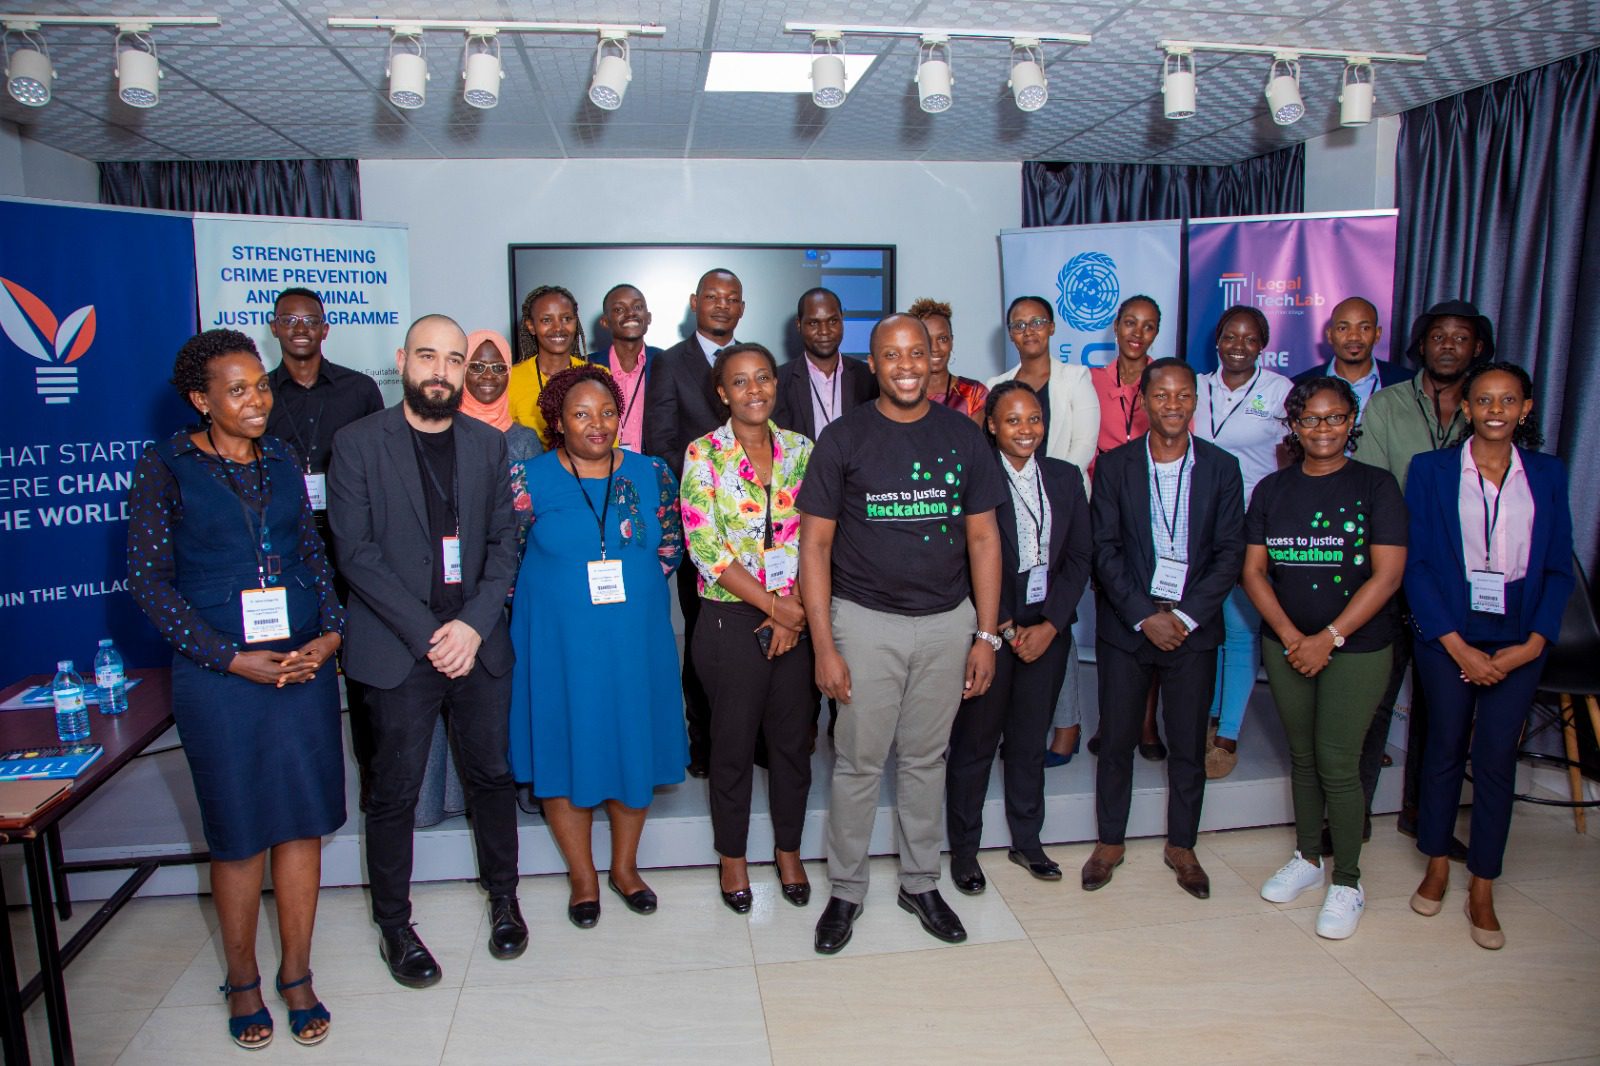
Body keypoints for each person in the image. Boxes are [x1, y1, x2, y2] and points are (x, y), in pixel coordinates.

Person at [129, 329, 344, 1049]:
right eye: (240, 389)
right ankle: (244, 980)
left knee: (303, 821)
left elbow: (314, 556)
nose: (258, 399)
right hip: (221, 679)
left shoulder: (282, 460)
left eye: (261, 385)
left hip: (301, 668)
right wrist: (230, 658)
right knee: (240, 833)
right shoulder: (166, 468)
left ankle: (298, 974)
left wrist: (332, 634)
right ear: (201, 399)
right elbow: (151, 587)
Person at [327, 314, 525, 989]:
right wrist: (430, 634)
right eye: (428, 357)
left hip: (477, 644)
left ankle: (505, 898)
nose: (440, 371)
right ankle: (394, 924)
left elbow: (504, 544)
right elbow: (355, 554)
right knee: (395, 794)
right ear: (402, 359)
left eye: (453, 360)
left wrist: (470, 625)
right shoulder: (356, 444)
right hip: (398, 649)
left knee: (492, 779)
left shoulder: (487, 444)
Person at [799, 313, 1005, 955]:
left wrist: (986, 636)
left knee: (925, 761)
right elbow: (815, 546)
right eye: (892, 355)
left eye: (917, 353)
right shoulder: (843, 438)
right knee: (858, 764)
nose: (908, 365)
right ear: (875, 363)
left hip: (948, 625)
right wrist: (826, 646)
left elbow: (983, 537)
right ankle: (847, 889)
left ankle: (920, 882)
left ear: (933, 356)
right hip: (865, 625)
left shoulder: (964, 437)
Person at [509, 365, 686, 927]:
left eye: (607, 412)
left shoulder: (650, 472)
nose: (597, 424)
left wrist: (629, 591)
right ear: (557, 422)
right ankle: (583, 877)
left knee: (632, 741)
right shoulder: (526, 478)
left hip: (635, 639)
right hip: (559, 643)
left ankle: (625, 868)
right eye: (581, 414)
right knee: (565, 744)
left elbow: (671, 545)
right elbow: (507, 559)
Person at [1405, 362, 1573, 950]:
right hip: (1448, 632)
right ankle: (1437, 861)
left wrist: (1534, 643)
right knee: (1444, 748)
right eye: (1483, 399)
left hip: (1519, 638)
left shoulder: (1548, 476)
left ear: (1526, 408)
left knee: (1496, 757)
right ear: (1468, 407)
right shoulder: (1430, 471)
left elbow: (1557, 568)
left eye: (1508, 400)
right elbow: (1418, 563)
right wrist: (1452, 642)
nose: (1495, 409)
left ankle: (1484, 881)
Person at [1242, 377, 1407, 940]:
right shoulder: (1271, 491)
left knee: (1339, 761)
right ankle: (1309, 860)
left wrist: (1328, 636)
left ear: (1351, 421)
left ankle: (1349, 881)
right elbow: (1254, 571)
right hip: (1287, 643)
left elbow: (1387, 576)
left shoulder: (1376, 487)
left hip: (1357, 647)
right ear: (1293, 426)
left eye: (1333, 418)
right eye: (1309, 419)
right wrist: (1292, 636)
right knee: (1304, 757)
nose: (1322, 429)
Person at [1083, 358, 1244, 899]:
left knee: (1185, 744)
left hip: (1191, 629)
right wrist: (1144, 615)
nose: (1172, 405)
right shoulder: (1115, 465)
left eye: (1183, 396)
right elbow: (1102, 549)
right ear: (1144, 402)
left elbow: (1228, 554)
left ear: (1195, 402)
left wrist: (1182, 617)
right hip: (1129, 625)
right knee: (1117, 741)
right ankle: (1110, 841)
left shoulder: (1222, 468)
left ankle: (1182, 844)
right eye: (1162, 396)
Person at [1352, 299, 1494, 855]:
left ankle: (1423, 819)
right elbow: (1378, 491)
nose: (1449, 346)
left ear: (1477, 348)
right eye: (1439, 336)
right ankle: (1351, 816)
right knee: (1373, 702)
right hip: (1390, 576)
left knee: (1442, 714)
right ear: (1422, 344)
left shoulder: (1485, 409)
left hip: (1458, 585)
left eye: (1461, 338)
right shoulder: (1387, 404)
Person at [682, 344, 815, 912]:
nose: (754, 389)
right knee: (732, 746)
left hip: (797, 610)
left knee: (792, 746)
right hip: (728, 618)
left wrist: (792, 608)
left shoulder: (802, 450)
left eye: (763, 378)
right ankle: (732, 857)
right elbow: (704, 546)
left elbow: (820, 534)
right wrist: (773, 606)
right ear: (722, 392)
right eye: (740, 382)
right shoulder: (702, 454)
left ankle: (789, 850)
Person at [945, 382, 1091, 893]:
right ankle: (964, 851)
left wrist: (1050, 625)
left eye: (1034, 419)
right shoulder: (974, 477)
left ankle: (1027, 841)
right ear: (991, 424)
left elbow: (1079, 558)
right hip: (992, 627)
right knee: (975, 744)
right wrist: (1005, 626)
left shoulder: (1066, 478)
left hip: (1048, 629)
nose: (1026, 429)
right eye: (1013, 420)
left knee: (1029, 743)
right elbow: (966, 558)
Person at [263, 286, 384, 810]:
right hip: (286, 549)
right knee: (292, 657)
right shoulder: (260, 394)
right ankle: (292, 777)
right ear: (274, 328)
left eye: (309, 319)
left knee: (361, 664)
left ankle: (375, 776)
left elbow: (384, 469)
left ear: (325, 327)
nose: (300, 328)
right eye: (288, 319)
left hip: (351, 544)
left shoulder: (358, 391)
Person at [988, 295, 1101, 770]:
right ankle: (1017, 729)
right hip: (1013, 513)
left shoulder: (1076, 378)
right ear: (1010, 333)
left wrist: (1050, 492)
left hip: (1062, 506)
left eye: (1037, 322)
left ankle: (1066, 725)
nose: (1029, 330)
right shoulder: (996, 386)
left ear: (1052, 327)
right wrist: (1022, 492)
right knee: (1020, 623)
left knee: (1059, 629)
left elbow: (1084, 442)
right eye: (1019, 324)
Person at [644, 267, 748, 778]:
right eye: (713, 297)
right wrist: (702, 503)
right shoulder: (669, 364)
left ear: (742, 308)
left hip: (757, 529)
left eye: (732, 298)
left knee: (756, 632)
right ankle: (704, 740)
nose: (722, 305)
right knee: (707, 638)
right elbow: (660, 445)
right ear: (694, 302)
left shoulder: (752, 364)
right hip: (701, 527)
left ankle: (753, 736)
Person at [1192, 305, 1291, 779]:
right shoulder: (1196, 387)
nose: (1238, 345)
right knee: (1203, 626)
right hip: (1198, 525)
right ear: (1218, 340)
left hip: (1253, 525)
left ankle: (1226, 734)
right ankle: (1206, 717)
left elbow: (1293, 461)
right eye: (1230, 335)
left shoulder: (1278, 392)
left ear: (1262, 345)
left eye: (1249, 338)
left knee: (1239, 628)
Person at [1085, 295, 1167, 765]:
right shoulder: (1093, 381)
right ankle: (1112, 720)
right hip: (1107, 512)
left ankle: (1147, 721)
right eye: (1130, 323)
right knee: (1113, 619)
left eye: (1148, 326)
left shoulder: (1168, 382)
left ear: (1157, 333)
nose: (1138, 332)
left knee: (1155, 612)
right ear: (1115, 327)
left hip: (1160, 515)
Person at [774, 286, 878, 441]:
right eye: (814, 323)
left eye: (833, 321)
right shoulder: (778, 381)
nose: (824, 331)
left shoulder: (869, 377)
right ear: (799, 325)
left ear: (842, 319)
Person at [1293, 296, 1410, 422]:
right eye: (1343, 328)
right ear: (1330, 335)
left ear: (1377, 334)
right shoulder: (1299, 385)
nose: (1354, 337)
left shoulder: (1407, 383)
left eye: (1364, 328)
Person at [507, 285, 595, 442]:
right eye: (546, 320)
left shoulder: (597, 376)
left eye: (566, 319)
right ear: (531, 326)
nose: (558, 328)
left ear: (575, 322)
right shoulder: (512, 379)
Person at [594, 283, 662, 453]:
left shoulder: (667, 363)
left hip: (654, 471)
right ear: (605, 321)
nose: (631, 313)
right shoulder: (588, 367)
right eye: (619, 309)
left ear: (648, 318)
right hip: (602, 469)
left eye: (637, 307)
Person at [909, 297, 988, 421]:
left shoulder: (974, 393)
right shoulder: (904, 393)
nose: (935, 348)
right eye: (926, 339)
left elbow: (975, 440)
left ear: (952, 341)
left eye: (942, 339)